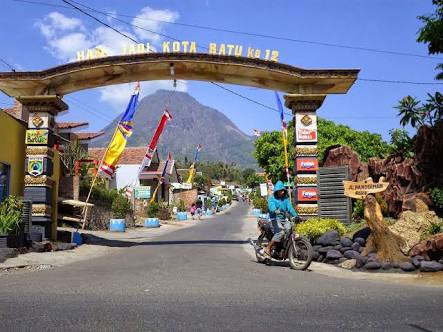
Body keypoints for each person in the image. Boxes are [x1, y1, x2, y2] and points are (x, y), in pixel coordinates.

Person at [261, 180, 298, 258]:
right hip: (274, 219)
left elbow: (290, 208)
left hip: (283, 219)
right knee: (280, 232)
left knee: (289, 229)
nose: (281, 192)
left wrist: (295, 215)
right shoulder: (272, 198)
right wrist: (274, 210)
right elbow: (271, 206)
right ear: (276, 191)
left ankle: (282, 246)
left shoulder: (286, 199)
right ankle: (268, 248)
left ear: (284, 191)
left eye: (282, 191)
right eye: (279, 191)